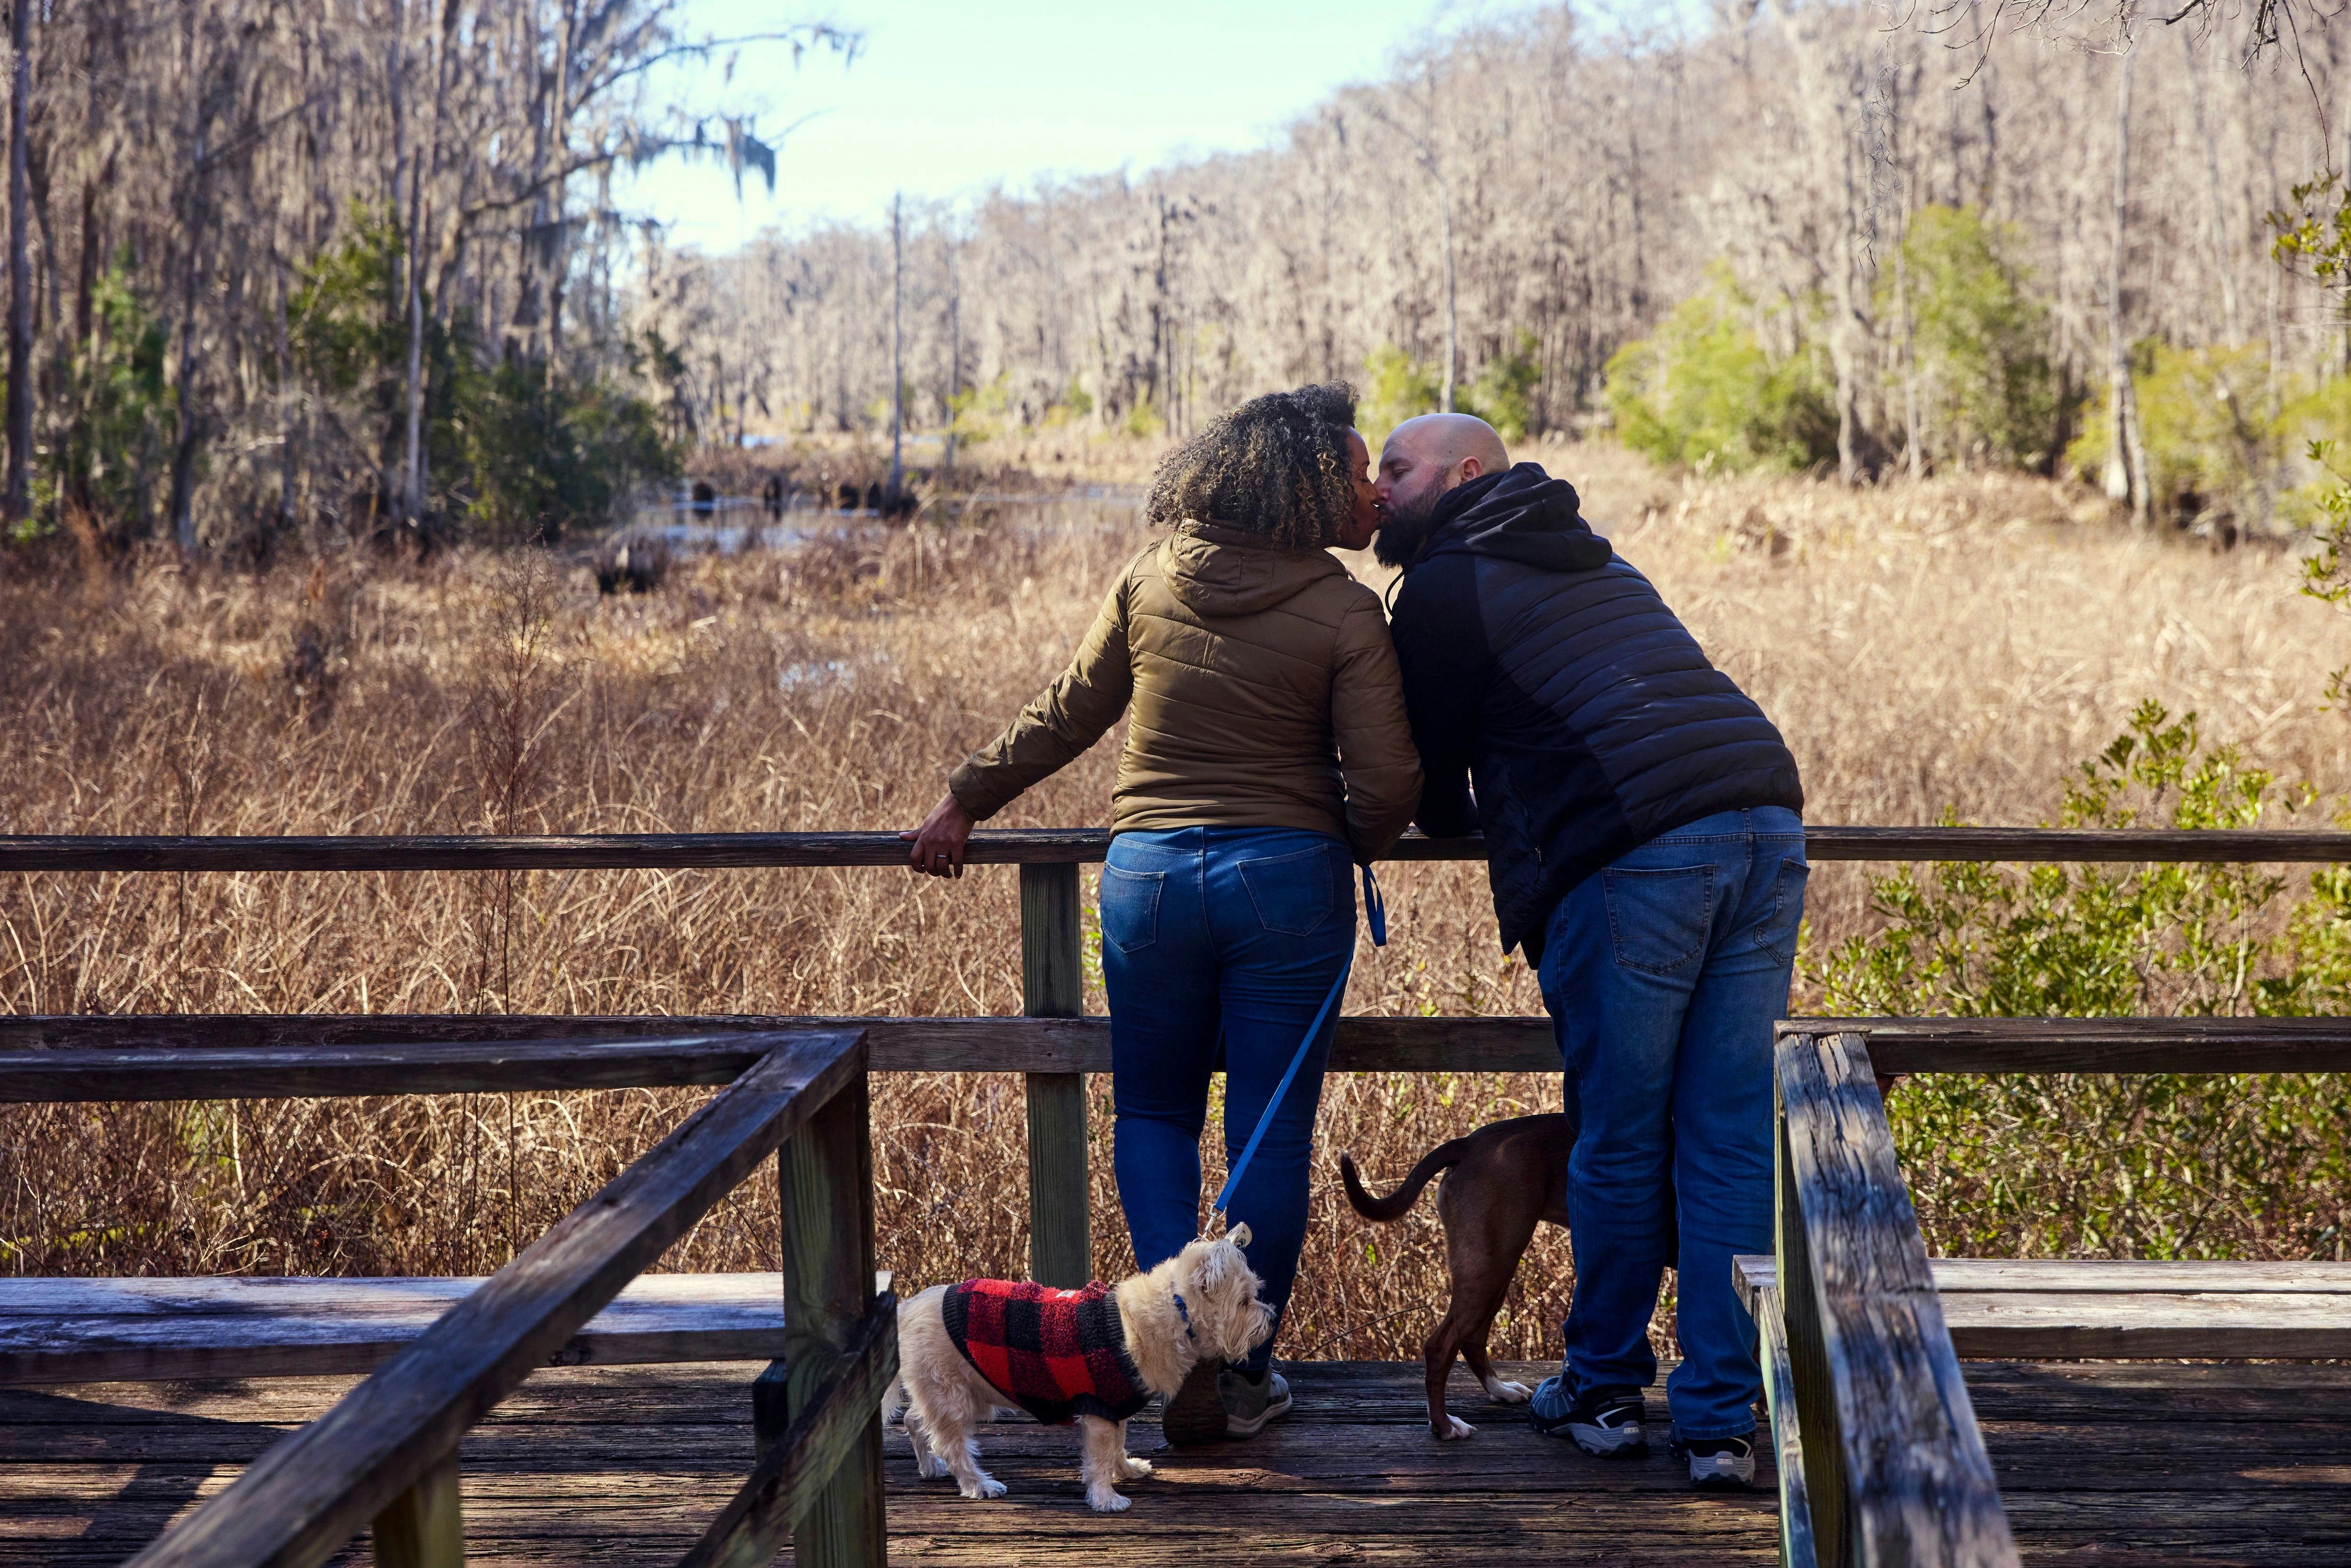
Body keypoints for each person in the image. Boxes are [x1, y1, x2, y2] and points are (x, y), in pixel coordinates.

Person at [903, 383, 1422, 1445]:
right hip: (1285, 882)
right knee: (1267, 1134)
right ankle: (1241, 1375)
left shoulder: (1151, 576)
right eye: (1357, 473)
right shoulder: (1343, 609)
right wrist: (1336, 828)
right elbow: (1386, 788)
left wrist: (964, 797)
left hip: (1143, 881)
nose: (1372, 492)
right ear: (1306, 488)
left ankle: (1163, 1356)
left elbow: (1069, 710)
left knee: (1152, 1114)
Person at [1371, 413, 1805, 1491]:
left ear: (1463, 475)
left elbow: (1426, 786)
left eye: (1395, 467)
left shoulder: (1442, 584)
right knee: (1727, 1138)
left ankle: (1605, 1388)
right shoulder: (1596, 552)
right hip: (1764, 819)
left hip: (1638, 856)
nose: (1376, 488)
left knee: (1615, 1134)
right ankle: (1716, 1420)